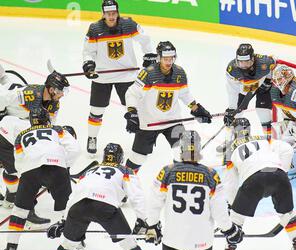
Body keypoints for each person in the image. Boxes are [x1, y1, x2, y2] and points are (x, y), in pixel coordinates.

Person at [45, 143, 160, 250]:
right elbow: (136, 196)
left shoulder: (89, 171)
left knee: (67, 245)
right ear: (120, 158)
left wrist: (64, 220)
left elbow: (73, 196)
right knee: (130, 244)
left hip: (78, 208)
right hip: (105, 207)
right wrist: (142, 220)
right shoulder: (125, 170)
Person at [145, 130, 243, 250]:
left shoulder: (167, 171)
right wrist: (229, 229)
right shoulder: (210, 174)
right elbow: (219, 209)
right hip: (202, 239)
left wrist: (152, 225)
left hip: (173, 237)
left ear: (180, 148)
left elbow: (154, 202)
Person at [220, 118, 296, 250]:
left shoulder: (229, 149)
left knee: (236, 219)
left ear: (234, 131)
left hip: (254, 180)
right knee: (287, 214)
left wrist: (233, 206)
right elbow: (287, 148)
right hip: (278, 176)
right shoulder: (264, 139)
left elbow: (230, 184)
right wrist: (282, 171)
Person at [3, 107, 80, 250]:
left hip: (30, 171)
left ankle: (11, 246)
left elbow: (18, 163)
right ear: (47, 119)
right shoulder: (57, 129)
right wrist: (64, 165)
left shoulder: (20, 136)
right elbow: (75, 149)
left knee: (19, 211)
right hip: (57, 167)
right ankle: (78, 241)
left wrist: (28, 178)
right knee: (68, 208)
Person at [124, 41, 212, 173]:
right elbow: (132, 93)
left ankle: (178, 178)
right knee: (138, 158)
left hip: (172, 121)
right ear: (159, 57)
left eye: (171, 58)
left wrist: (196, 108)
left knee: (183, 152)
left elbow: (184, 93)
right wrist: (132, 113)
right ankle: (125, 181)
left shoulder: (179, 73)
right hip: (149, 122)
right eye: (166, 59)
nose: (169, 62)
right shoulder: (148, 74)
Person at [83, 0, 155, 155]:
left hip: (126, 75)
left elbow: (145, 39)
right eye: (108, 13)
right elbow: (89, 51)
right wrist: (88, 64)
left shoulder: (128, 25)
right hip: (102, 76)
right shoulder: (95, 29)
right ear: (103, 13)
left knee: (134, 107)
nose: (111, 16)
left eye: (113, 13)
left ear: (117, 12)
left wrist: (149, 55)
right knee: (97, 110)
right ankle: (92, 137)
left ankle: (141, 139)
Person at [0, 71, 70, 218]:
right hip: (7, 128)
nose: (62, 95)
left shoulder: (54, 104)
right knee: (19, 170)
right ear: (51, 89)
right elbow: (2, 99)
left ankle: (11, 196)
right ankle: (25, 208)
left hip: (19, 131)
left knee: (16, 166)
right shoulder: (29, 94)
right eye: (61, 91)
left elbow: (48, 126)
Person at [218, 43, 277, 153]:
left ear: (253, 59)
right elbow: (232, 90)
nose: (244, 65)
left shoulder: (265, 62)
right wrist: (232, 108)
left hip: (263, 86)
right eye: (241, 62)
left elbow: (273, 64)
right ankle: (229, 140)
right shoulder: (232, 70)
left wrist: (268, 81)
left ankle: (270, 141)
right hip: (245, 89)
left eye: (247, 62)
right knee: (235, 113)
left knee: (263, 112)